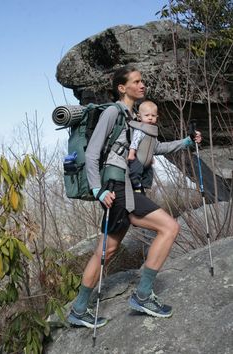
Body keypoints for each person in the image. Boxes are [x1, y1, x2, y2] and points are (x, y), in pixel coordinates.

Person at [68, 64, 202, 328]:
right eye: (137, 81)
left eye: (143, 81)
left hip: (124, 188)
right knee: (170, 227)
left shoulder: (134, 117)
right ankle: (142, 295)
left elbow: (154, 148)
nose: (142, 85)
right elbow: (94, 153)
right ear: (122, 87)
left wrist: (186, 143)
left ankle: (79, 309)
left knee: (108, 248)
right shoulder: (112, 112)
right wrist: (98, 189)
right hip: (116, 188)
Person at [127, 100, 159, 192]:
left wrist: (151, 157)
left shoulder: (153, 131)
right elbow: (135, 142)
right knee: (136, 170)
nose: (150, 118)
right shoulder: (140, 129)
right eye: (147, 115)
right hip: (137, 157)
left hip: (146, 160)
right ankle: (136, 185)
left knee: (149, 172)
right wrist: (132, 153)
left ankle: (145, 186)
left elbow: (152, 146)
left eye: (153, 116)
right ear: (139, 117)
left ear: (157, 117)